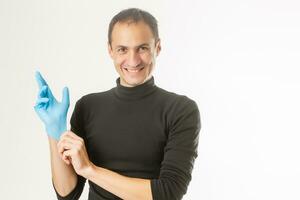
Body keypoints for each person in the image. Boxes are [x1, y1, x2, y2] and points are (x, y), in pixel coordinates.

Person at [34, 8, 201, 200]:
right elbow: (67, 194)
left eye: (143, 48)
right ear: (110, 50)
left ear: (158, 47)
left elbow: (168, 193)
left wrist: (90, 170)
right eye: (123, 49)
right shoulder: (88, 107)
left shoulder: (180, 110)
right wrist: (55, 132)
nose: (133, 60)